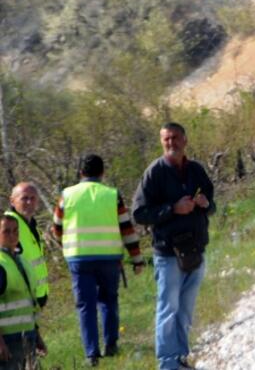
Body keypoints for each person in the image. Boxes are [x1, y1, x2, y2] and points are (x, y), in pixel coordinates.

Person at [133, 123, 215, 370]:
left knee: (185, 310)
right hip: (168, 253)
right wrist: (172, 209)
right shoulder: (154, 173)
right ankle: (167, 363)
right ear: (162, 142)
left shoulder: (196, 170)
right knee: (168, 309)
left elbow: (212, 204)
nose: (171, 143)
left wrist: (204, 203)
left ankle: (181, 357)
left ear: (185, 141)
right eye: (167, 139)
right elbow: (140, 213)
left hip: (195, 250)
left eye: (175, 138)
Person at [54, 154, 144, 367]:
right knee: (108, 300)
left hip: (79, 257)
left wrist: (67, 244)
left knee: (85, 305)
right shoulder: (112, 195)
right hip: (109, 257)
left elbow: (57, 228)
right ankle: (111, 345)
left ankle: (91, 354)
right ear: (103, 173)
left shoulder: (66, 195)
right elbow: (127, 229)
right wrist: (137, 259)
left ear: (80, 173)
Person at [0, 214, 45, 369]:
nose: (12, 236)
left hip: (27, 336)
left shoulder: (23, 261)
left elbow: (28, 301)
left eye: (15, 231)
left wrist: (36, 334)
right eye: (6, 231)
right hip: (8, 341)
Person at [7, 184, 48, 308]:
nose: (29, 202)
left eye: (33, 198)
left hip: (36, 296)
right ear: (12, 201)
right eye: (24, 198)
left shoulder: (32, 226)